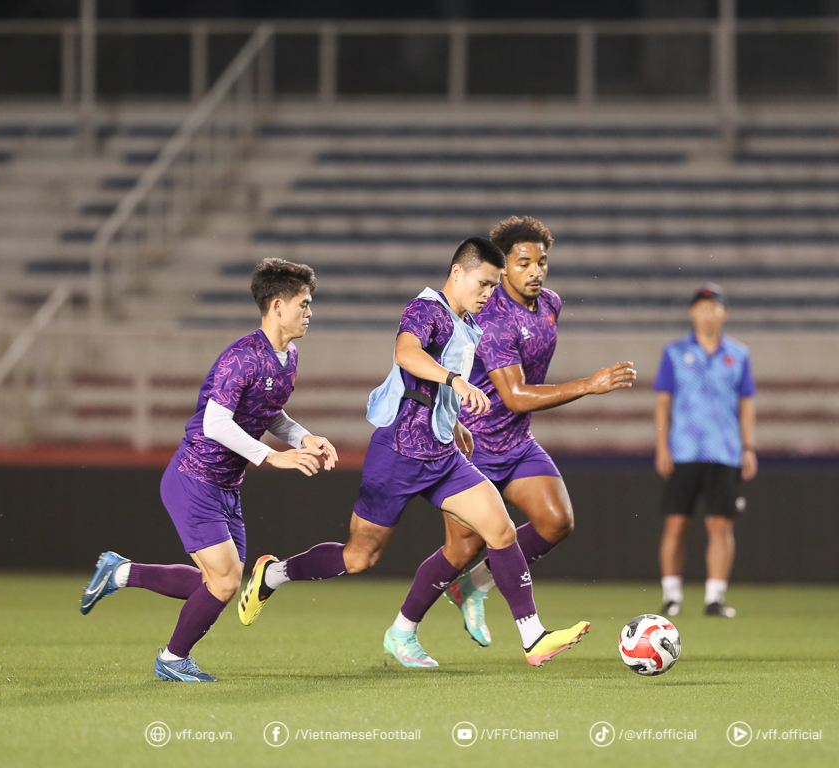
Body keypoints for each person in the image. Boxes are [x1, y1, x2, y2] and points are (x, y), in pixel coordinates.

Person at [237, 237, 590, 668]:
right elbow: (407, 355)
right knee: (359, 556)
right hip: (398, 451)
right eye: (482, 283)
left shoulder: (469, 322)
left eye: (493, 287)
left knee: (500, 529)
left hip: (442, 452)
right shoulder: (425, 309)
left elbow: (426, 388)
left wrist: (453, 420)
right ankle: (273, 574)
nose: (487, 294)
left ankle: (529, 637)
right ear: (457, 273)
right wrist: (454, 382)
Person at [79, 258, 337, 682]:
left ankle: (119, 572)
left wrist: (303, 437)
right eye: (304, 304)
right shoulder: (242, 357)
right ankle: (172, 659)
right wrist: (271, 457)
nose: (309, 313)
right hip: (194, 479)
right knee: (223, 581)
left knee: (223, 582)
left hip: (226, 486)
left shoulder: (288, 357)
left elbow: (269, 413)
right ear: (276, 306)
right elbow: (216, 424)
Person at [394, 215, 636, 649]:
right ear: (502, 267)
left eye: (542, 262)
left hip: (517, 442)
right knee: (461, 550)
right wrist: (589, 384)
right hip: (473, 444)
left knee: (556, 521)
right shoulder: (494, 319)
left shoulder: (550, 304)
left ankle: (473, 587)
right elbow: (516, 396)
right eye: (524, 263)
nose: (536, 271)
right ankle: (404, 629)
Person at [654, 283, 757, 618]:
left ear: (723, 313)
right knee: (676, 524)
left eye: (714, 307)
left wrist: (749, 447)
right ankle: (672, 595)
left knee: (720, 526)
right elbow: (663, 402)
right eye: (701, 307)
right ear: (692, 313)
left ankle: (715, 597)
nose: (707, 313)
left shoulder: (739, 354)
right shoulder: (674, 352)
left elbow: (746, 404)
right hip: (684, 449)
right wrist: (662, 445)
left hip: (724, 450)